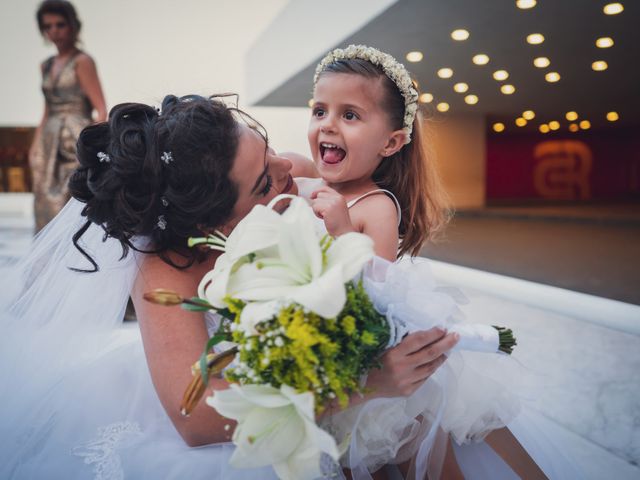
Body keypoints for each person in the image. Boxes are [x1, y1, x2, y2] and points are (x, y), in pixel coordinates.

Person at [0, 94, 458, 479]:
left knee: (440, 417)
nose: (291, 168)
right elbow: (195, 419)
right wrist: (364, 385)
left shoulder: (279, 171)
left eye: (269, 148)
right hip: (236, 413)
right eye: (264, 182)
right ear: (209, 223)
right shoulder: (166, 265)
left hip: (318, 375)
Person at [296, 45, 582, 479]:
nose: (328, 125)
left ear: (391, 142)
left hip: (377, 372)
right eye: (319, 111)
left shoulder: (376, 206)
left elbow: (376, 296)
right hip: (324, 363)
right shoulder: (308, 177)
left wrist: (339, 232)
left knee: (423, 464)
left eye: (350, 115)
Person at [30, 0, 107, 231]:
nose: (54, 31)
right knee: (44, 202)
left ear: (73, 25)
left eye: (60, 24)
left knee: (70, 202)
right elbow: (47, 109)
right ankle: (47, 262)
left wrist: (92, 148)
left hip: (74, 140)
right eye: (48, 26)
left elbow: (101, 109)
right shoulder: (45, 65)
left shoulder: (82, 62)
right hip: (48, 142)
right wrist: (35, 146)